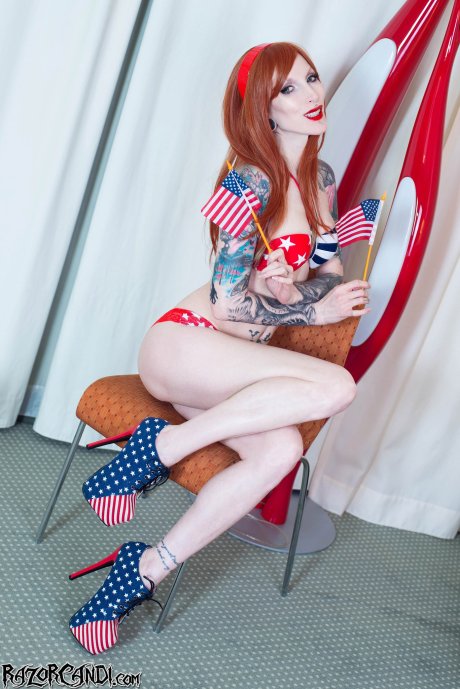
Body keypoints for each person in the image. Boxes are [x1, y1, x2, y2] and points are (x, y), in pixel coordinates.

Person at [68, 42, 370, 655]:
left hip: (232, 375)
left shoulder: (322, 180)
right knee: (337, 386)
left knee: (281, 450)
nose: (311, 95)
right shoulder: (248, 181)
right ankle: (161, 448)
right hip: (188, 343)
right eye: (288, 89)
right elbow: (228, 302)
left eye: (311, 79)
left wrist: (301, 285)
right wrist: (312, 308)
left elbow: (328, 271)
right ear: (263, 108)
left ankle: (141, 571)